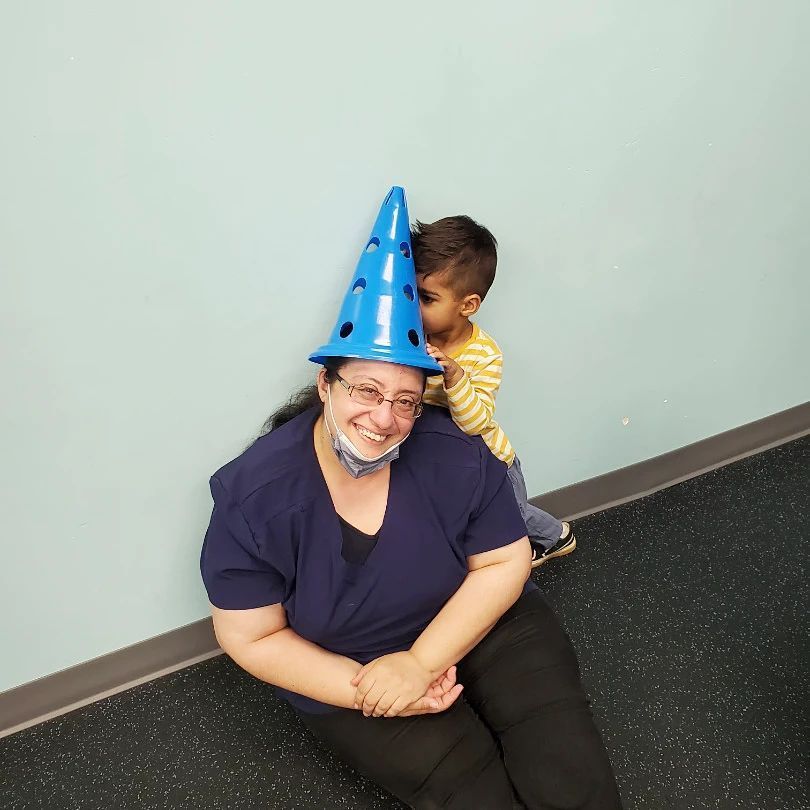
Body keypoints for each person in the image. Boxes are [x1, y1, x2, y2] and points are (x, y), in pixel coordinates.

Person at [200, 188, 621, 808]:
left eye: (405, 399)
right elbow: (252, 637)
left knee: (568, 768)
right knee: (466, 789)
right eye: (365, 390)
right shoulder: (254, 493)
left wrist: (423, 662)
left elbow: (504, 562)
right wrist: (374, 686)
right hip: (355, 665)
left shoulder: (456, 453)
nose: (385, 418)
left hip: (488, 621)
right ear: (325, 383)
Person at [412, 215, 574, 568]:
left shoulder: (485, 354)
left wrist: (454, 376)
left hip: (494, 462)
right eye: (410, 293)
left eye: (425, 297)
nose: (413, 306)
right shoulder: (415, 336)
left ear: (467, 305)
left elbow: (475, 421)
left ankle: (557, 536)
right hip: (454, 459)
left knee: (513, 518)